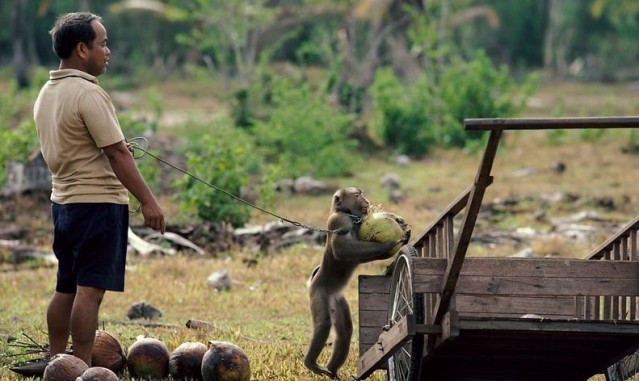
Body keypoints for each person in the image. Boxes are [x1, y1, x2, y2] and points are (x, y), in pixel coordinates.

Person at [33, 12, 165, 366]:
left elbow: (80, 146)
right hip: (97, 205)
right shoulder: (89, 93)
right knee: (89, 291)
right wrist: (149, 202)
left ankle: (57, 361)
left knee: (67, 287)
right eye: (103, 43)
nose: (108, 51)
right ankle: (83, 366)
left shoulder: (47, 93)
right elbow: (117, 152)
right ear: (81, 49)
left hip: (63, 204)